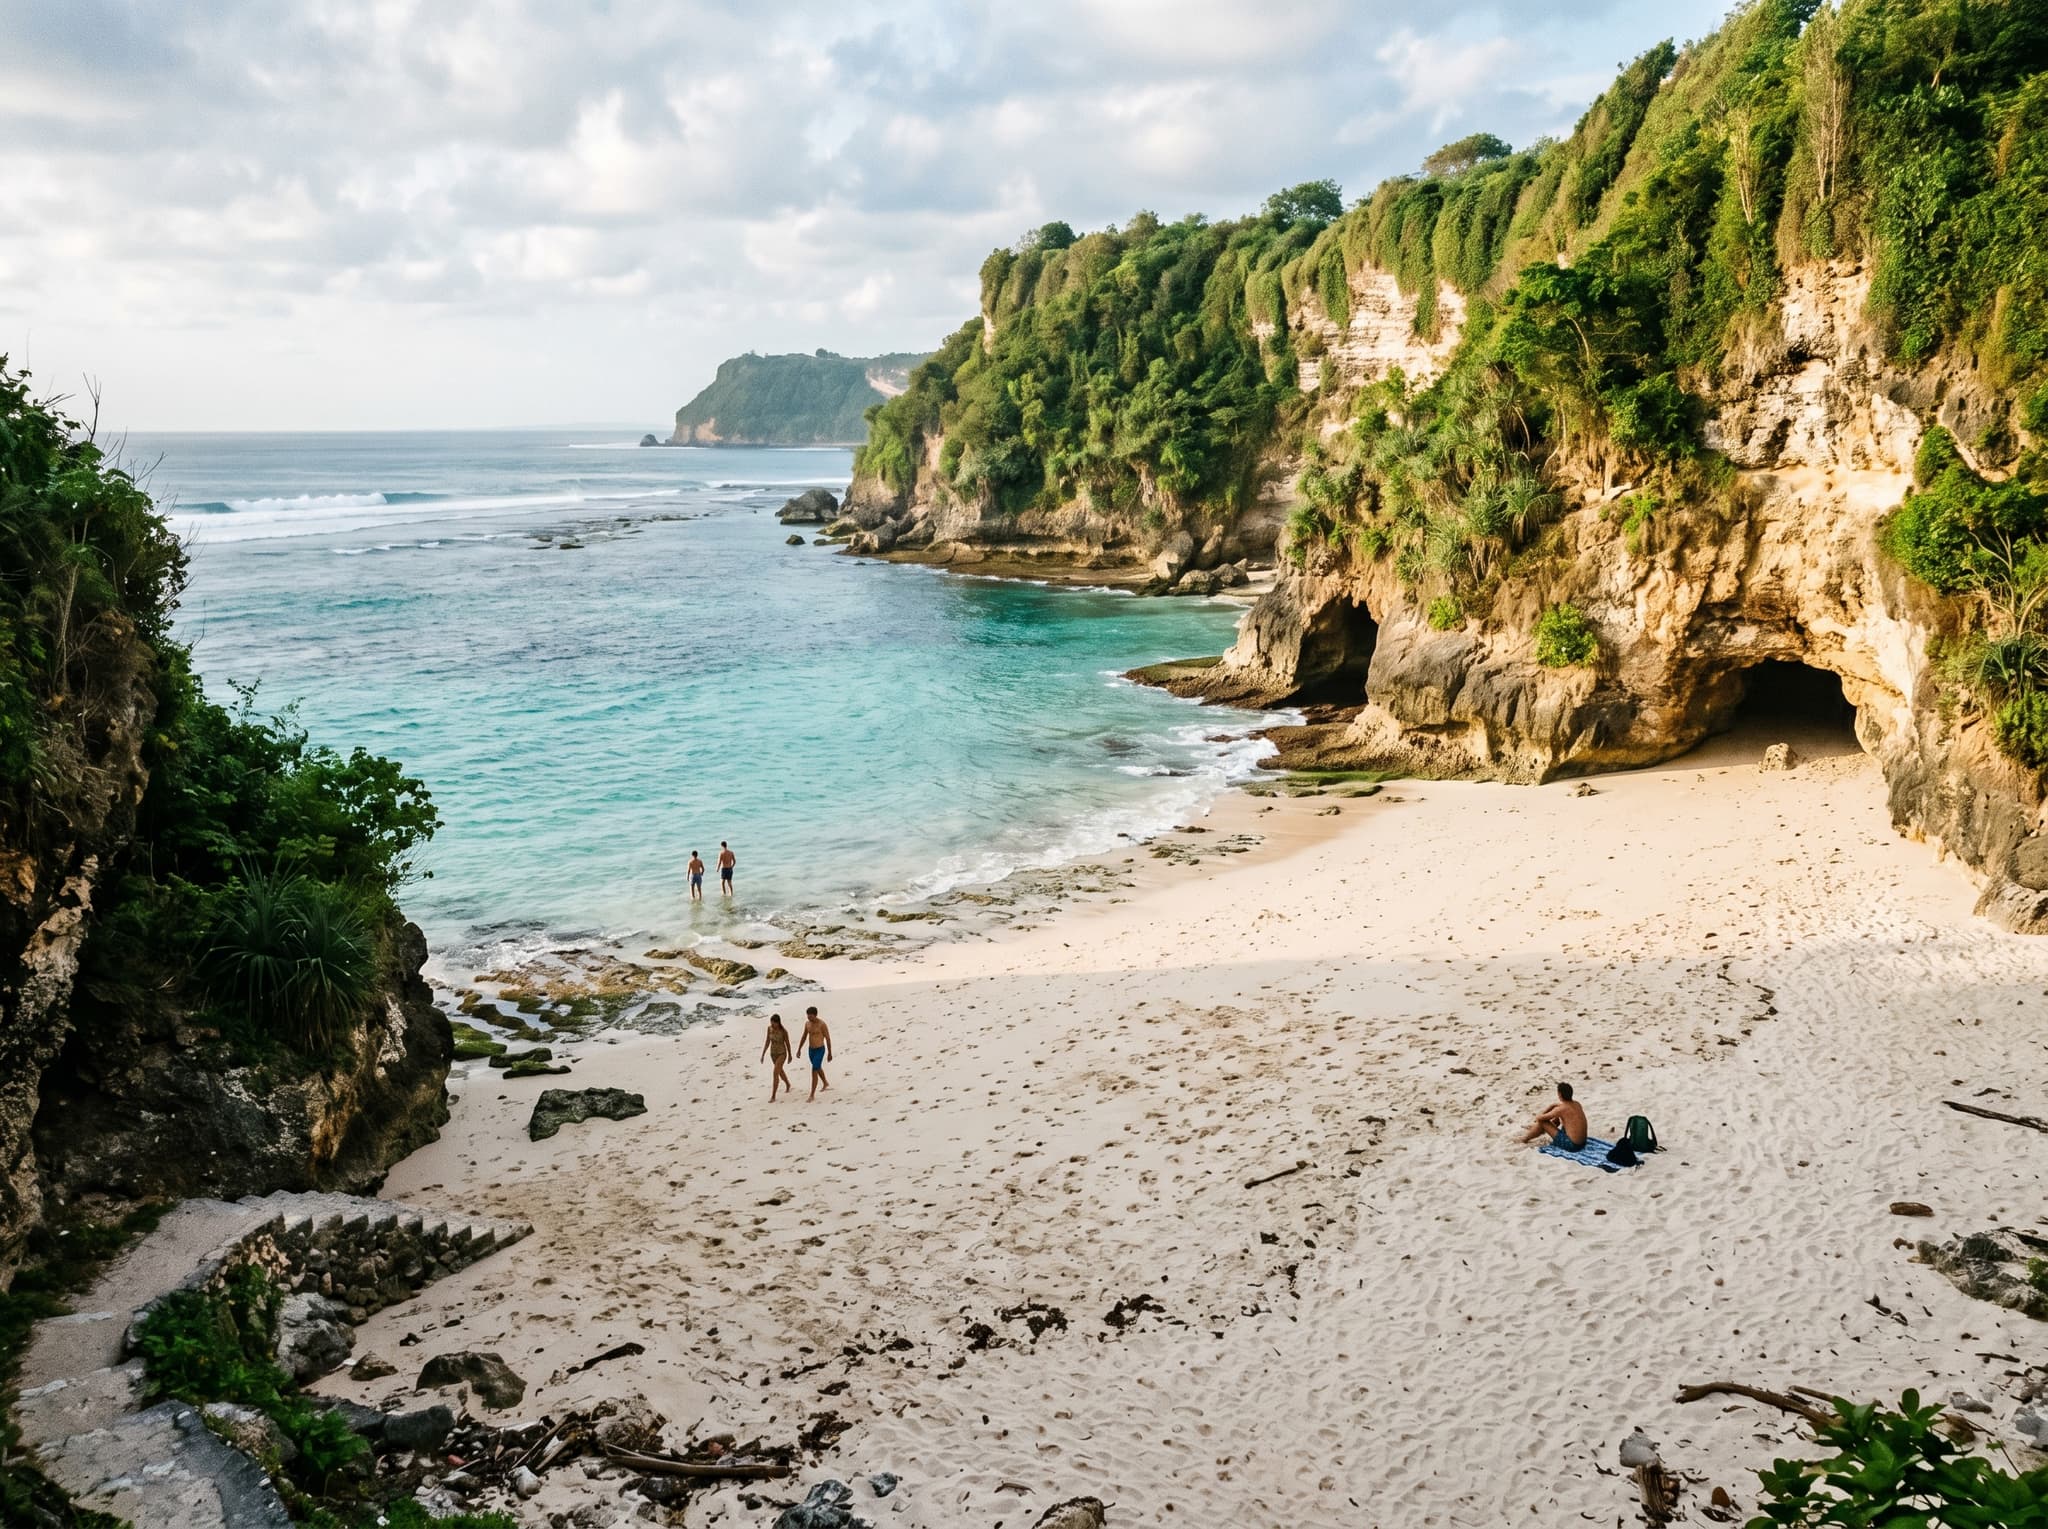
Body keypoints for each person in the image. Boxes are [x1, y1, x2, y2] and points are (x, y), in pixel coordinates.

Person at [1520, 1081, 1588, 1150]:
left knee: (1543, 1122)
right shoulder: (1577, 1104)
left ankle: (1525, 1139)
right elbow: (1561, 1108)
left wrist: (1542, 1115)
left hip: (1572, 1145)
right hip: (1582, 1143)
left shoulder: (1561, 1109)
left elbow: (1539, 1118)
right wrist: (1552, 1105)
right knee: (1556, 1117)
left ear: (1560, 1094)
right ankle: (1535, 1128)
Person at [799, 1005, 831, 1100]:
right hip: (811, 1050)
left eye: (810, 1016)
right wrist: (799, 1049)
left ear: (815, 1015)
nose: (809, 1017)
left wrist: (829, 1053)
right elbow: (804, 1036)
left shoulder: (822, 1024)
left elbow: (828, 1038)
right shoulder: (807, 1024)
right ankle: (825, 1082)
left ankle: (812, 1095)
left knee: (814, 1070)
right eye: (808, 1016)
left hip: (820, 1049)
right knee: (817, 1067)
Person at [761, 1013, 793, 1101]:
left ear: (778, 1022)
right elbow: (767, 1041)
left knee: (775, 1072)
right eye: (771, 1023)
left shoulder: (784, 1031)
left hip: (782, 1053)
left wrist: (790, 1055)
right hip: (773, 1053)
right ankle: (788, 1084)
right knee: (780, 1071)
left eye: (773, 1023)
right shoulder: (769, 1028)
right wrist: (763, 1053)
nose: (772, 1025)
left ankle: (773, 1096)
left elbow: (788, 1043)